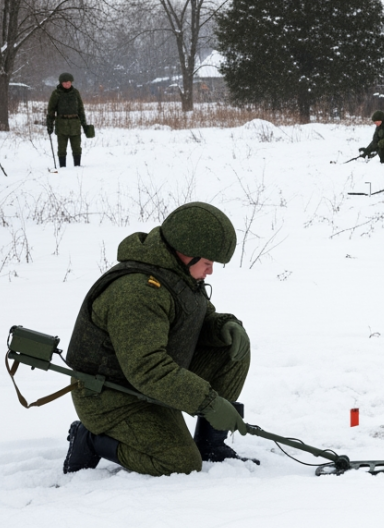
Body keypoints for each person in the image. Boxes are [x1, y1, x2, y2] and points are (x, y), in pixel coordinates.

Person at [62, 202, 253, 476]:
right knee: (180, 463)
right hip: (111, 397)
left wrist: (224, 326)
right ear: (186, 253)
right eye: (208, 263)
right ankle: (91, 439)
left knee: (232, 350)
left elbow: (195, 318)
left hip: (147, 384)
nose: (210, 272)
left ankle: (211, 444)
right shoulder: (137, 292)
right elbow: (148, 369)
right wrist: (209, 402)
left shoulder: (176, 274)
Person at [47, 72, 89, 167]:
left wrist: (84, 124)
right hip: (61, 124)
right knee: (62, 148)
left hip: (75, 124)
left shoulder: (75, 93)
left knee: (77, 148)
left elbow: (80, 109)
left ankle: (77, 165)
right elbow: (51, 110)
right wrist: (50, 124)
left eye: (69, 82)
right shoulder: (56, 93)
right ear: (61, 83)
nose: (67, 84)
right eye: (65, 82)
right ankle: (62, 166)